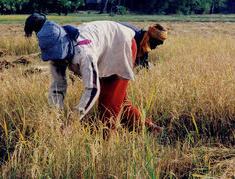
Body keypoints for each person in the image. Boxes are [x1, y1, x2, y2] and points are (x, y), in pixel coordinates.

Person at [24, 13, 166, 134]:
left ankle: (107, 147)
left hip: (120, 45)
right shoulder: (57, 52)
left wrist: (71, 122)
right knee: (120, 102)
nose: (57, 59)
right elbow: (58, 86)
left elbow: (92, 89)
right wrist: (53, 116)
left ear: (64, 47)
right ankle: (152, 129)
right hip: (104, 45)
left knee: (108, 106)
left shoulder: (84, 54)